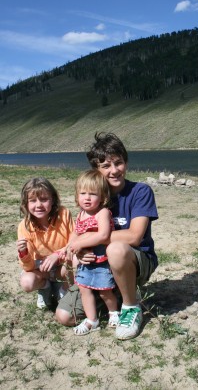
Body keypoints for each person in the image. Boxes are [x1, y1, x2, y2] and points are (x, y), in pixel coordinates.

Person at [56, 132, 159, 340]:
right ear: (96, 170)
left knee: (117, 248)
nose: (114, 171)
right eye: (106, 166)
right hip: (97, 265)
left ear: (126, 162)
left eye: (119, 163)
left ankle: (130, 307)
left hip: (135, 260)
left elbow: (135, 236)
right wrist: (82, 250)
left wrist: (87, 240)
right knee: (65, 316)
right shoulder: (93, 198)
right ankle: (111, 296)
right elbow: (78, 233)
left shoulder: (140, 192)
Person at [68, 169, 119, 335]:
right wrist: (71, 245)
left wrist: (80, 243)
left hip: (101, 259)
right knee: (84, 290)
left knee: (105, 290)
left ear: (103, 197)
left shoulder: (102, 213)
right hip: (85, 262)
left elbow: (103, 235)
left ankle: (113, 313)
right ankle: (92, 320)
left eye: (92, 193)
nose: (87, 198)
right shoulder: (81, 214)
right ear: (77, 196)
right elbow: (75, 233)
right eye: (83, 193)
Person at [17, 177, 74, 309]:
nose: (38, 205)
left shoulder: (63, 214)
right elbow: (29, 267)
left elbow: (74, 241)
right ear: (25, 204)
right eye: (32, 201)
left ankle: (63, 288)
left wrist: (57, 255)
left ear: (53, 199)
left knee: (77, 260)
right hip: (41, 268)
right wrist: (23, 252)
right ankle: (45, 286)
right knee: (27, 282)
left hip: (62, 263)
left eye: (44, 199)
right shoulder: (24, 226)